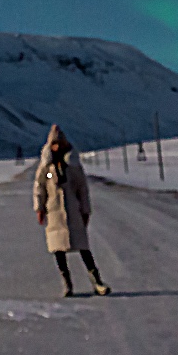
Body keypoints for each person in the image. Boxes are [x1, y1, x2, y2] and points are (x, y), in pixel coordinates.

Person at [32, 124, 110, 297]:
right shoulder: (47, 168)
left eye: (60, 143)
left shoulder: (73, 166)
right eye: (54, 144)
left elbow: (82, 189)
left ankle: (97, 282)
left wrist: (85, 210)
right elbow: (40, 187)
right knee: (58, 250)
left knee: (83, 247)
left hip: (73, 211)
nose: (57, 147)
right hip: (54, 212)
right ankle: (67, 284)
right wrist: (40, 208)